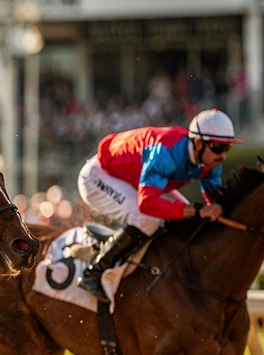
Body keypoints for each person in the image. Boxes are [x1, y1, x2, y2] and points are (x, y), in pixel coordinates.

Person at [75, 108, 240, 302]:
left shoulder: (209, 161)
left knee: (187, 219)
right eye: (218, 148)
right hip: (100, 176)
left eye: (227, 148)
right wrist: (196, 210)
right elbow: (147, 204)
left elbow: (214, 203)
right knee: (148, 220)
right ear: (197, 143)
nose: (223, 156)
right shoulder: (166, 154)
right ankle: (94, 271)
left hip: (135, 177)